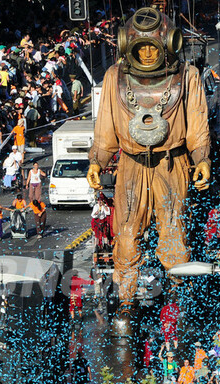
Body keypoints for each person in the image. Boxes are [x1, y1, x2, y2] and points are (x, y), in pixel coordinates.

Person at [86, 7, 211, 334]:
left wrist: (202, 159)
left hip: (172, 164)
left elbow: (197, 127)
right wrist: (96, 161)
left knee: (174, 235)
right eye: (140, 47)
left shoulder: (187, 76)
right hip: (131, 164)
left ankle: (178, 299)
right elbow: (105, 131)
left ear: (168, 44)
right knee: (126, 237)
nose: (146, 53)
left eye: (152, 47)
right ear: (127, 45)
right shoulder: (114, 77)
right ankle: (125, 302)